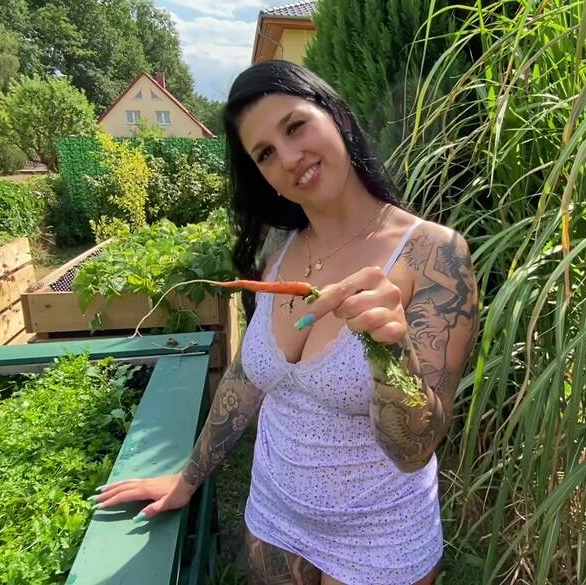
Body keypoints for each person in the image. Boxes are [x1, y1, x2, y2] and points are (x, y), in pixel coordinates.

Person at [92, 60, 479, 585]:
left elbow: (414, 449)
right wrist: (187, 480)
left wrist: (390, 350)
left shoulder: (433, 255)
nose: (290, 158)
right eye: (265, 154)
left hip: (379, 538)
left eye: (295, 127)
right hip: (273, 517)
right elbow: (246, 379)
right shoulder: (278, 250)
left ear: (337, 116)